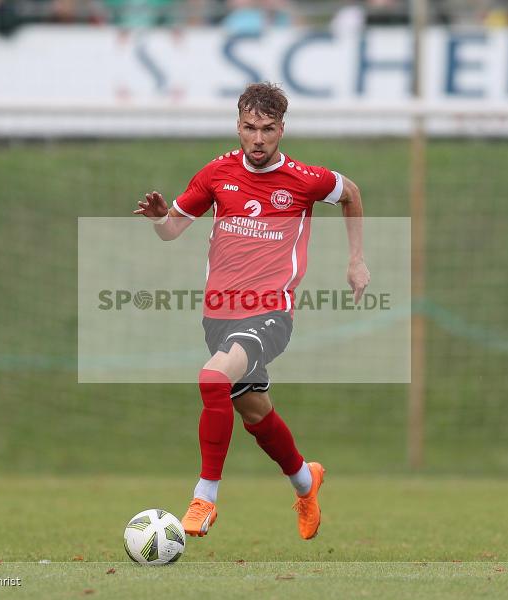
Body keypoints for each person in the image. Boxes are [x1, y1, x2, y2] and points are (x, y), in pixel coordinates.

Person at [133, 82, 370, 538]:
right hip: (218, 314)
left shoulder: (306, 179)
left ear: (282, 129)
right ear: (237, 126)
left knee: (212, 379)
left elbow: (351, 193)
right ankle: (305, 481)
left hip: (271, 313)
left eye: (267, 129)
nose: (257, 139)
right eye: (249, 128)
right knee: (256, 413)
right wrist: (161, 218)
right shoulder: (217, 173)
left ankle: (204, 498)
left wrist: (356, 258)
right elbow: (172, 231)